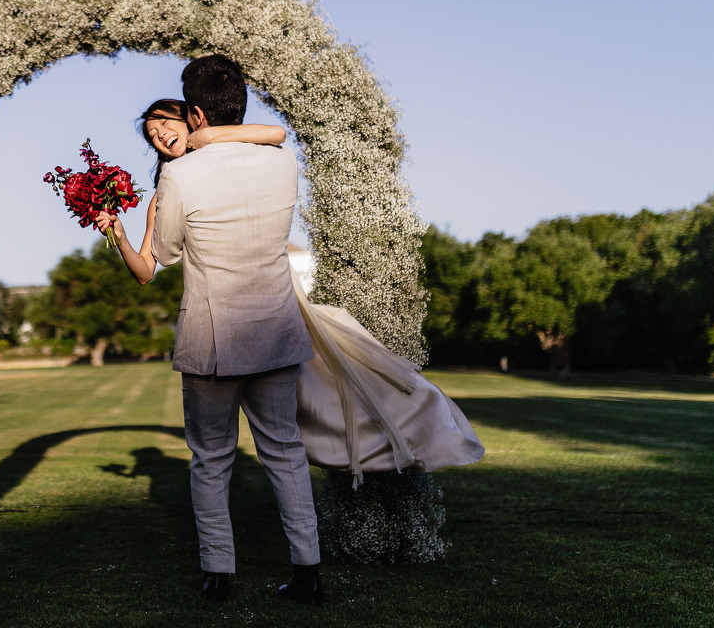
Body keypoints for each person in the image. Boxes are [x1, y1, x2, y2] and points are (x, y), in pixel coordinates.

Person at [97, 55, 485, 605]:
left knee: (211, 459)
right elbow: (271, 133)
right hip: (277, 334)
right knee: (284, 453)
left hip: (212, 339)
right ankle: (308, 571)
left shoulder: (179, 175)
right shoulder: (282, 163)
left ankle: (218, 574)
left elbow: (162, 253)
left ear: (196, 113)